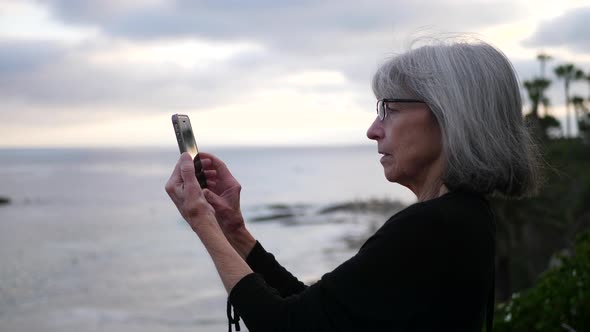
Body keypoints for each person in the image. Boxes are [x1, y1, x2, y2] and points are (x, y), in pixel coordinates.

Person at [165, 37, 543, 332]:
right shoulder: (465, 218)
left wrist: (203, 222)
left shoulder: (434, 227)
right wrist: (236, 232)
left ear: (450, 116)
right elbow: (321, 315)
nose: (372, 130)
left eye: (389, 110)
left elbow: (286, 328)